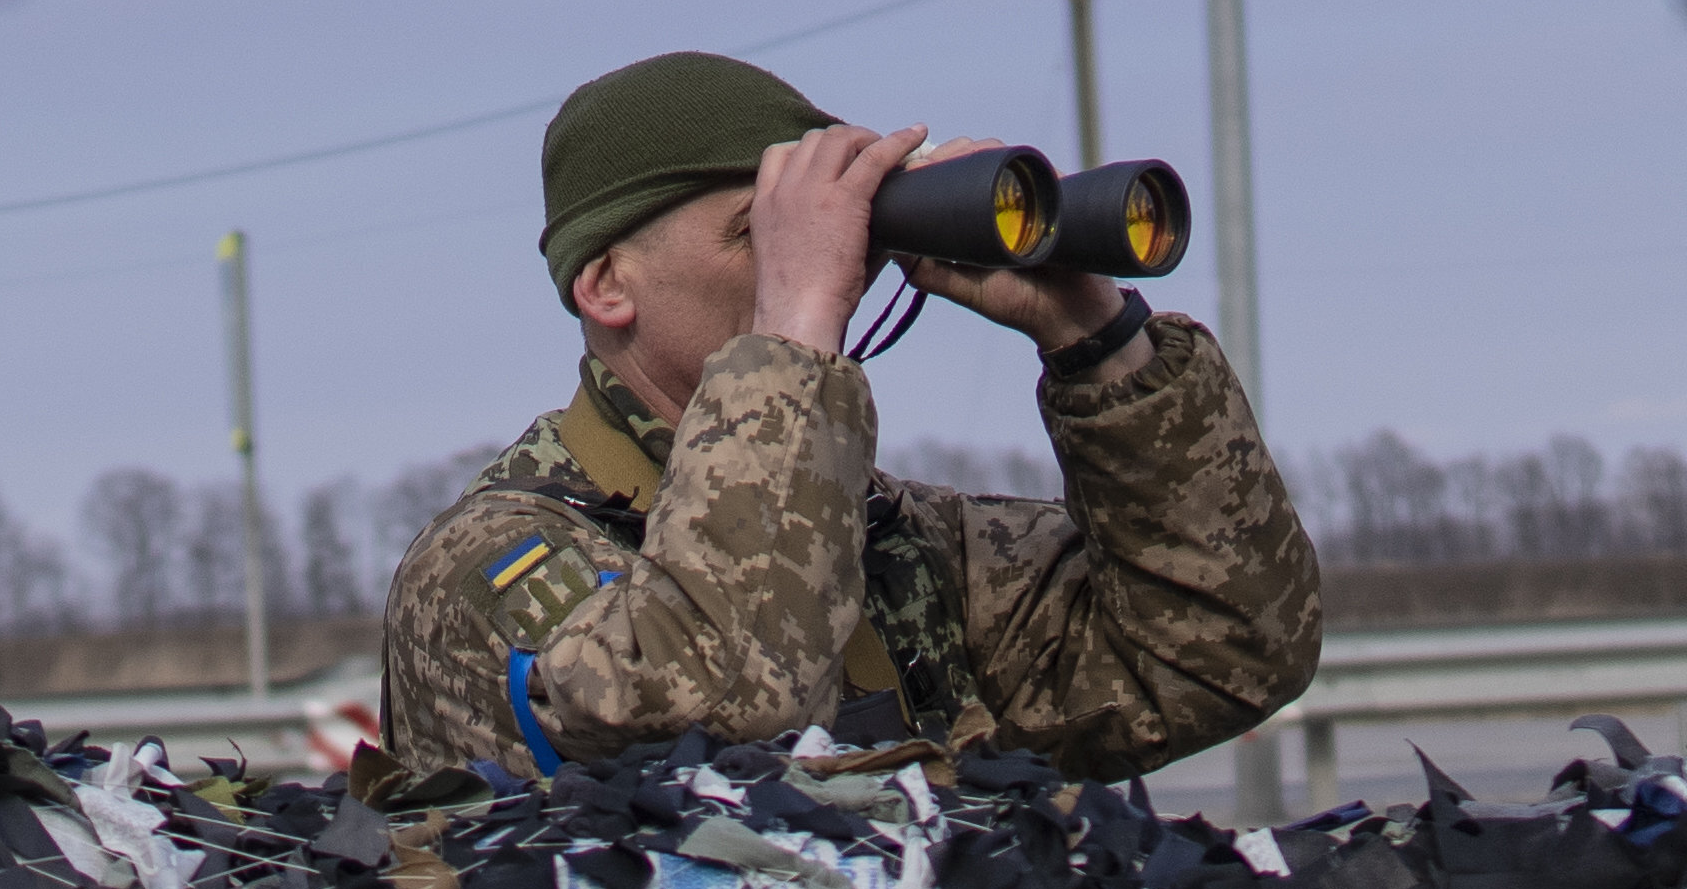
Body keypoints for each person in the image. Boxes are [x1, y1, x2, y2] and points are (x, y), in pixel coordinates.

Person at [366, 47, 1325, 804]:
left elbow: (1223, 645)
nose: (832, 268)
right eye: (761, 233)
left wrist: (1096, 340)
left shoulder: (897, 544)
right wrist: (790, 331)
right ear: (608, 285)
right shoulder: (493, 567)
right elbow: (717, 722)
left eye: (835, 237)